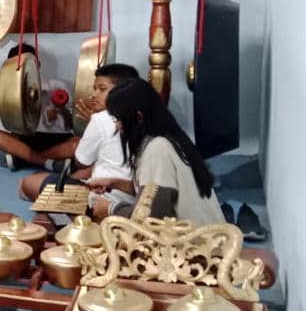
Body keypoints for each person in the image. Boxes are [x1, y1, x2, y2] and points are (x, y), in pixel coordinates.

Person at [18, 63, 141, 219]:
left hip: (103, 201)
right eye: (95, 89)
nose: (94, 95)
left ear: (122, 91)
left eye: (102, 89)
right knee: (83, 173)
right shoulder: (142, 116)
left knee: (26, 184)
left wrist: (92, 125)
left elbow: (81, 161)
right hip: (134, 199)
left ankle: (72, 215)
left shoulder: (101, 119)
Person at [95, 78, 225, 225]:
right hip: (207, 239)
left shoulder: (158, 150)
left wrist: (110, 209)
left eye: (118, 119)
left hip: (196, 244)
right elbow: (154, 192)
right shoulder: (168, 139)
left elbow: (151, 216)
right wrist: (114, 183)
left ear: (138, 117)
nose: (117, 126)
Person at [0, 43, 76, 171]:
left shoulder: (58, 85)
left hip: (57, 139)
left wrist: (61, 110)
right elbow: (10, 124)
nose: (22, 69)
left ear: (37, 64)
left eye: (26, 65)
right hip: (26, 139)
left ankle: (24, 158)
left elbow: (71, 124)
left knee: (79, 144)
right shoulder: (10, 93)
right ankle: (49, 162)